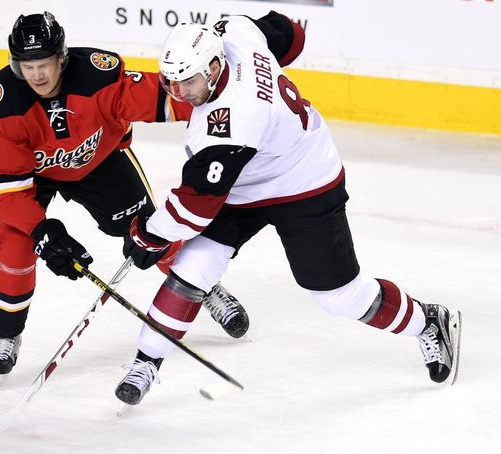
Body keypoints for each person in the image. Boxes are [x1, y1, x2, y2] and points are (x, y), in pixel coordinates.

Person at [115, 11, 462, 405]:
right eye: (172, 83)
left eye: (189, 82)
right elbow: (290, 34)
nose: (181, 93)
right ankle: (148, 361)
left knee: (339, 297)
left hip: (304, 182)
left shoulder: (231, 122)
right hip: (244, 182)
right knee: (192, 268)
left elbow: (194, 208)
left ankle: (427, 321)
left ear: (214, 68)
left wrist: (149, 234)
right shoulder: (234, 32)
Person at [0, 11, 249, 388]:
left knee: (153, 231)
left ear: (62, 58)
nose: (37, 75)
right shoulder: (1, 107)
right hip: (33, 179)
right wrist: (44, 232)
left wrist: (236, 111)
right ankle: (6, 334)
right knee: (14, 243)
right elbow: (8, 191)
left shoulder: (96, 76)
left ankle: (206, 287)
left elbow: (172, 97)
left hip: (102, 165)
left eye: (45, 64)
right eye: (28, 66)